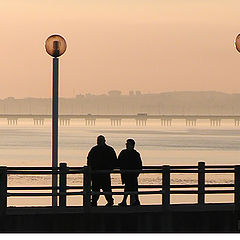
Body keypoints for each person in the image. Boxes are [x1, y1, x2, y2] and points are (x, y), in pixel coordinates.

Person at [87, 135, 117, 206]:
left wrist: (109, 169)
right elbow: (89, 160)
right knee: (96, 188)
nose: (99, 142)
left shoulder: (108, 149)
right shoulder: (94, 149)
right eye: (98, 140)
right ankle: (94, 202)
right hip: (96, 173)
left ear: (104, 141)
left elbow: (114, 161)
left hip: (104, 173)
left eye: (100, 140)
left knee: (106, 188)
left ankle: (109, 201)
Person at [118, 139, 142, 206]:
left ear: (132, 145)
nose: (126, 145)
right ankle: (134, 201)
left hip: (132, 174)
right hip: (126, 174)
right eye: (126, 144)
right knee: (129, 187)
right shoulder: (123, 152)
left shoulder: (136, 154)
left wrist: (136, 173)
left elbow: (139, 165)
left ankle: (133, 201)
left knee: (132, 188)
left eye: (128, 144)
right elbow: (118, 162)